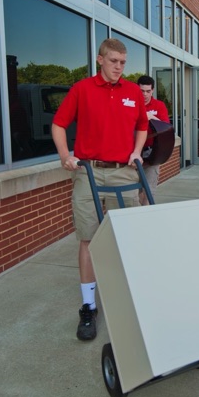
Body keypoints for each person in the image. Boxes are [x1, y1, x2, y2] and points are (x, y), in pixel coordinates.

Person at [51, 38, 148, 341]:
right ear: (100, 59)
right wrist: (65, 155)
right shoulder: (82, 89)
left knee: (128, 236)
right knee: (88, 238)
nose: (119, 67)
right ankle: (89, 306)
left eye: (123, 62)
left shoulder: (133, 92)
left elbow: (142, 125)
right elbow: (58, 124)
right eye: (114, 61)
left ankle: (131, 298)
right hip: (88, 172)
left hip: (123, 172)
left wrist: (136, 151)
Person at [136, 75, 171, 206]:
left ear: (153, 90)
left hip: (151, 153)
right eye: (142, 91)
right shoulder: (131, 104)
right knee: (132, 192)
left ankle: (146, 213)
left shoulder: (159, 105)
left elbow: (166, 128)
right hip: (132, 152)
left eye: (148, 91)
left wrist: (152, 117)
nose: (145, 94)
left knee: (148, 191)